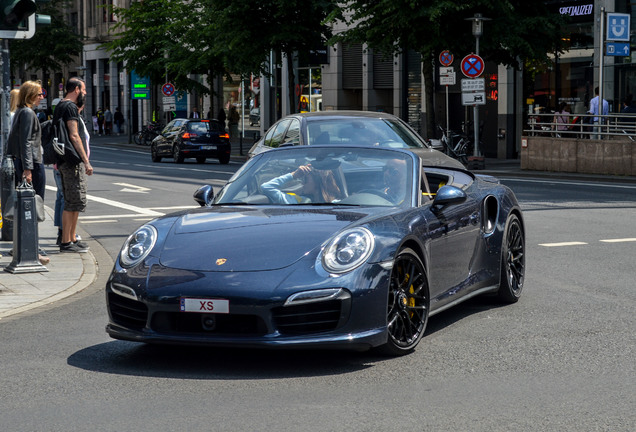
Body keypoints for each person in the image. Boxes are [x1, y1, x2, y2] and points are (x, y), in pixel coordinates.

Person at [7, 80, 49, 264]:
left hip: (27, 161)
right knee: (33, 206)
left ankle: (23, 246)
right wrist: (28, 168)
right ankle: (31, 248)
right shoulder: (27, 112)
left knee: (27, 206)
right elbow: (25, 141)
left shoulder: (21, 112)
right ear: (30, 94)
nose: (42, 97)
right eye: (39, 94)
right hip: (31, 163)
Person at [53, 77, 93, 253]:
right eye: (83, 90)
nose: (84, 93)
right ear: (76, 89)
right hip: (71, 161)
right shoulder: (69, 107)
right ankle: (66, 241)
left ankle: (71, 238)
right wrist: (86, 161)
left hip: (63, 160)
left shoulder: (61, 105)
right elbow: (74, 136)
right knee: (72, 201)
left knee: (74, 201)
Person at [261, 163, 343, 204]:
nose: (303, 183)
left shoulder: (338, 205)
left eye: (306, 180)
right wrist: (293, 175)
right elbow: (266, 187)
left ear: (318, 182)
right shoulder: (299, 201)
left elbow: (267, 187)